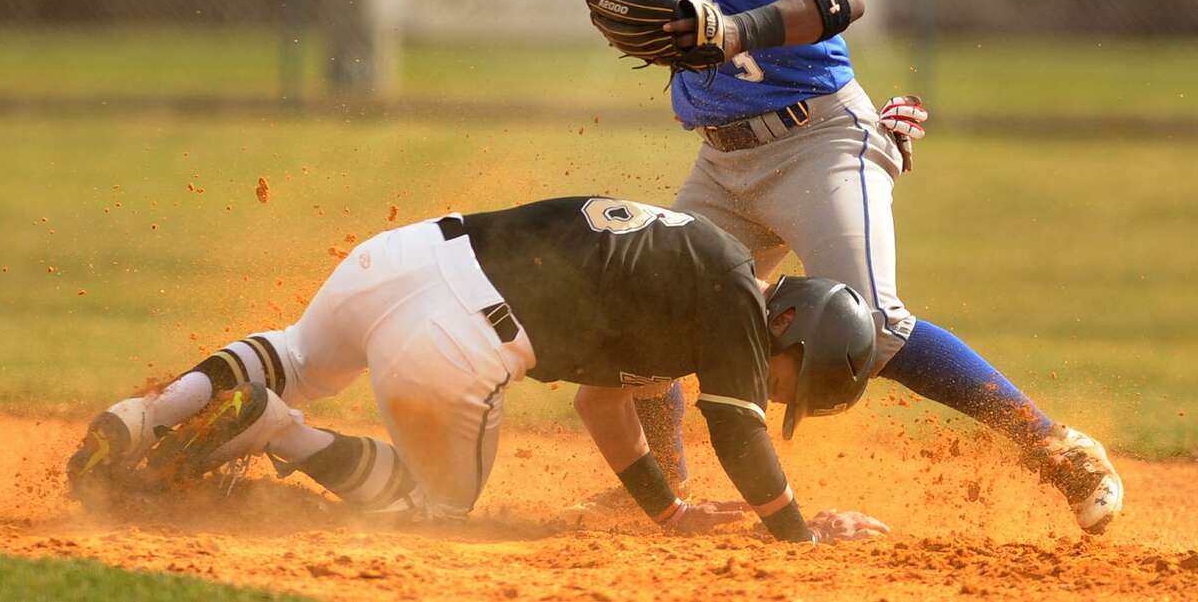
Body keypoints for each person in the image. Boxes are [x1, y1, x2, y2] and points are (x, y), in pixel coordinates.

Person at [531, 0, 1122, 534]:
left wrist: (736, 32)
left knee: (874, 327)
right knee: (644, 318)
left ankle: (1057, 450)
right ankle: (666, 487)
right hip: (723, 165)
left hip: (816, 142)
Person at [67, 195, 889, 544]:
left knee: (299, 354)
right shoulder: (735, 293)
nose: (766, 387)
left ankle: (149, 415)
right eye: (784, 378)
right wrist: (799, 532)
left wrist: (668, 511)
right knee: (436, 505)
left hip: (405, 256)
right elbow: (737, 431)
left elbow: (603, 404)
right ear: (789, 324)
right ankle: (276, 429)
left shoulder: (685, 285)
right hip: (459, 337)